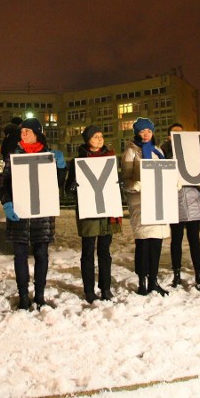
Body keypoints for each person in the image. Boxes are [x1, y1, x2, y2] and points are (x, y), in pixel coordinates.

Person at [0, 117, 61, 310]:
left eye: (28, 131)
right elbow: (5, 182)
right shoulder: (13, 155)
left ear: (37, 134)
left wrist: (61, 168)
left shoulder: (48, 154)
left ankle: (40, 294)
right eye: (22, 131)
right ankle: (23, 295)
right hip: (20, 211)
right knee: (20, 255)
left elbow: (56, 184)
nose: (23, 134)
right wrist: (7, 202)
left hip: (42, 214)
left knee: (41, 254)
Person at [65, 125, 122, 303]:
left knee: (105, 252)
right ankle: (89, 290)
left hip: (107, 212)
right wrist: (73, 186)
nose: (99, 139)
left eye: (101, 136)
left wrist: (117, 185)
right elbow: (67, 189)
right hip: (89, 211)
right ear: (87, 140)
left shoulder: (110, 159)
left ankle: (105, 288)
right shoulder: (78, 161)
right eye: (95, 136)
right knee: (88, 251)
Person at [122, 117, 170, 296]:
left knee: (156, 242)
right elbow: (125, 179)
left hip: (158, 201)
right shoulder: (131, 151)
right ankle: (142, 280)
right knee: (143, 243)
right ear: (136, 133)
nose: (146, 134)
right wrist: (133, 185)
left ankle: (153, 281)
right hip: (140, 203)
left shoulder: (158, 151)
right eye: (142, 131)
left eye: (148, 131)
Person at [161, 122, 200, 290]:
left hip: (193, 198)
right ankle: (177, 274)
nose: (178, 136)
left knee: (195, 239)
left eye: (181, 132)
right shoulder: (163, 152)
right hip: (175, 199)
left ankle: (199, 274)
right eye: (175, 133)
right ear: (169, 137)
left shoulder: (194, 150)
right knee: (176, 240)